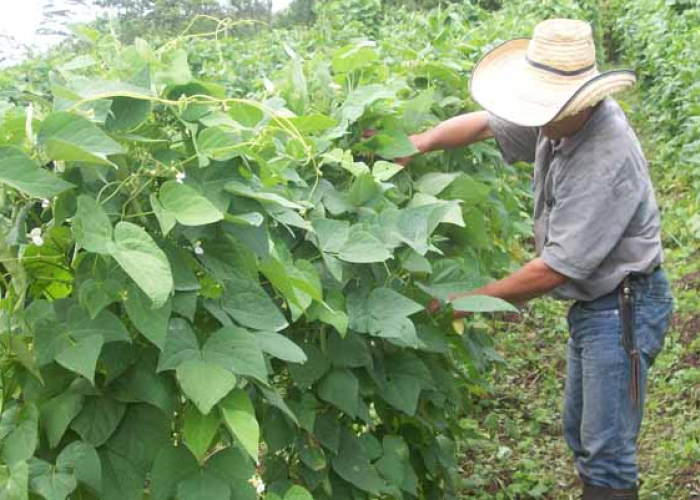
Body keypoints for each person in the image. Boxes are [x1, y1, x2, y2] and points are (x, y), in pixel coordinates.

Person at [399, 19, 674, 500]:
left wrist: (471, 300)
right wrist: (419, 143)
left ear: (582, 100)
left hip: (624, 306)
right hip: (597, 306)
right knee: (581, 431)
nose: (536, 117)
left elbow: (556, 269)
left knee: (607, 450)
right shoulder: (558, 119)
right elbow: (485, 124)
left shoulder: (603, 153)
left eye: (546, 106)